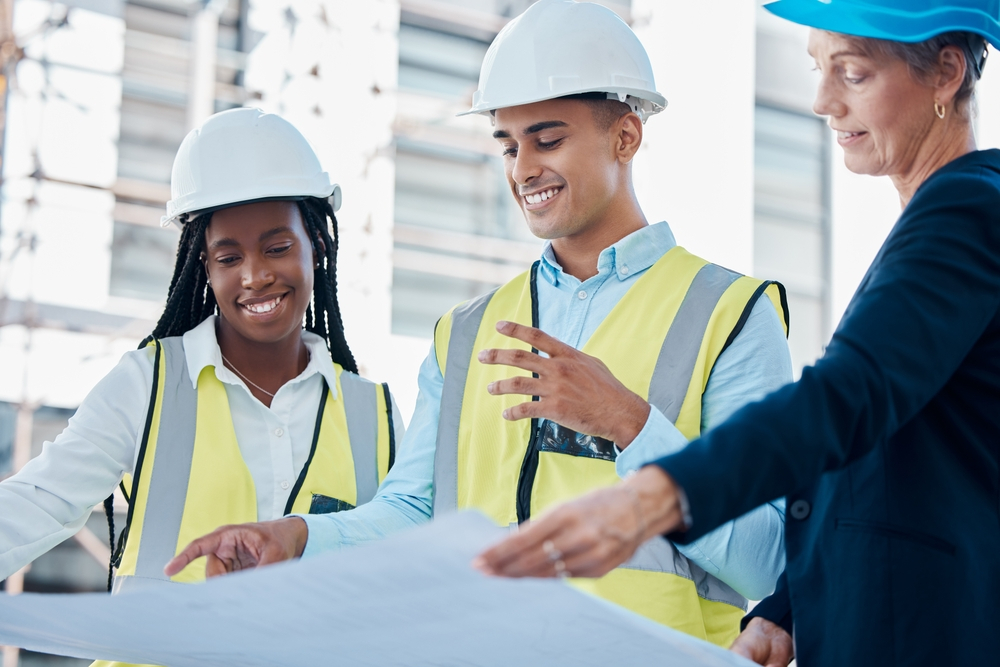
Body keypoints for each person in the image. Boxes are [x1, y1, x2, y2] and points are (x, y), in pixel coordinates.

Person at [165, 0, 792, 647]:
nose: (523, 168)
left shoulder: (727, 312)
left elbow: (770, 557)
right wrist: (295, 536)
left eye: (548, 139)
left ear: (625, 137)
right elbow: (413, 512)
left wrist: (630, 425)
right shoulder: (466, 332)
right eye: (508, 145)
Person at [475, 0, 1000, 665]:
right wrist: (788, 608)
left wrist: (655, 494)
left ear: (946, 73)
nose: (822, 101)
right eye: (818, 70)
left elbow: (848, 396)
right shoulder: (939, 220)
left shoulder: (967, 211)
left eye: (852, 73)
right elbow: (882, 463)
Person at [0, 108, 401, 667]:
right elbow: (40, 501)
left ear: (318, 245)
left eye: (277, 247)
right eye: (228, 257)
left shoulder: (373, 413)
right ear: (204, 268)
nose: (254, 276)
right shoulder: (150, 383)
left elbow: (403, 559)